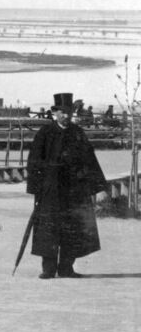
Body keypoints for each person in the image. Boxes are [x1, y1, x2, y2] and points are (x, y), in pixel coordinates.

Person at [26, 93, 105, 279]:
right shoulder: (45, 134)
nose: (67, 116)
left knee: (73, 228)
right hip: (50, 189)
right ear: (55, 113)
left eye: (69, 113)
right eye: (62, 113)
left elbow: (89, 159)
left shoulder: (77, 133)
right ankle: (48, 269)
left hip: (73, 190)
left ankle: (67, 267)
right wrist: (37, 187)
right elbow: (34, 161)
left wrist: (95, 186)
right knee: (49, 228)